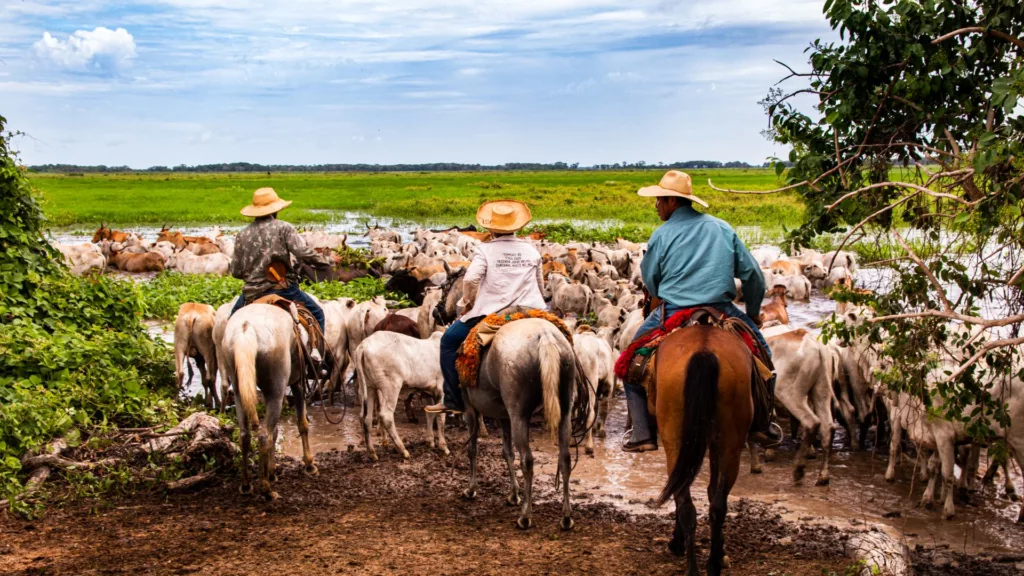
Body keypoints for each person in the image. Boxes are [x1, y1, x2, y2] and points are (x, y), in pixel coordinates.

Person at [623, 170, 780, 453]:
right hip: (721, 309)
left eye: (659, 200)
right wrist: (754, 310)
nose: (656, 205)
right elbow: (754, 276)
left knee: (629, 363)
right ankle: (762, 424)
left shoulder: (661, 234)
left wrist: (663, 293)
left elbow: (651, 279)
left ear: (672, 201)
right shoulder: (722, 228)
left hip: (673, 311)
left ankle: (643, 434)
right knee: (764, 359)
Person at [425, 200, 547, 415]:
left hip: (494, 313)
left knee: (448, 341)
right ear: (518, 227)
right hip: (531, 310)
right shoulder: (531, 250)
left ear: (490, 228)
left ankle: (454, 401)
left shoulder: (486, 250)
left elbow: (471, 279)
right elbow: (540, 284)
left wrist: (467, 303)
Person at [229, 187, 330, 333]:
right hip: (283, 289)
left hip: (252, 293)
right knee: (318, 314)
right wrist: (325, 260)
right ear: (275, 210)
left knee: (230, 322)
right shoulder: (284, 228)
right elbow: (301, 252)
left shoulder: (242, 234)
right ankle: (318, 354)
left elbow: (236, 272)